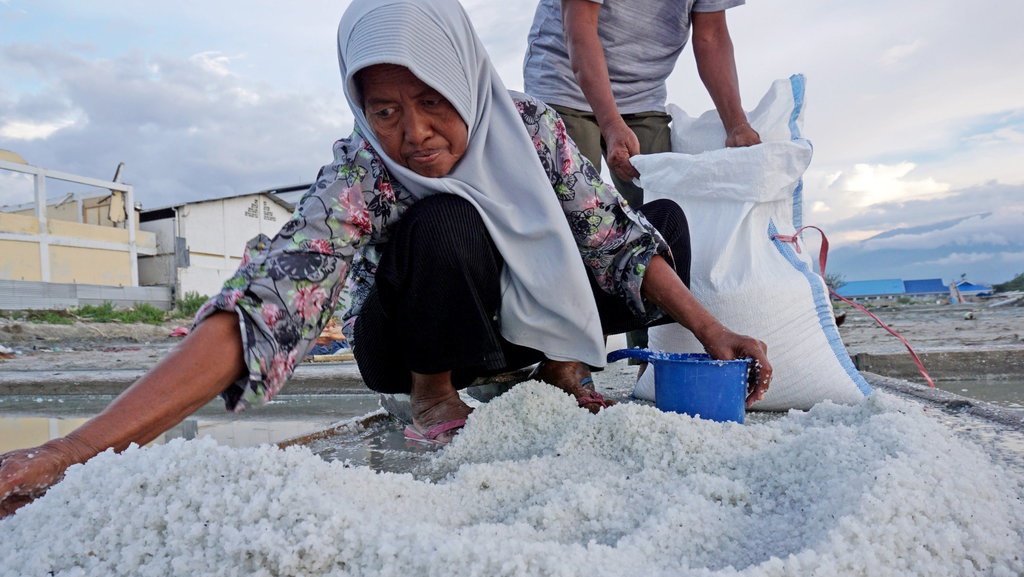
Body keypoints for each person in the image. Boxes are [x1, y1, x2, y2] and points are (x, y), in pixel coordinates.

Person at [0, 0, 771, 520]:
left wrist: (712, 329)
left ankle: (559, 367)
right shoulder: (361, 172)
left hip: (508, 319)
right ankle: (437, 397)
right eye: (385, 110)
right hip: (408, 345)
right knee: (445, 219)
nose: (416, 133)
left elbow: (611, 237)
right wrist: (71, 449)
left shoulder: (531, 128)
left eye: (434, 100)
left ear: (467, 80)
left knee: (654, 221)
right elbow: (267, 300)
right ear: (360, 109)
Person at [524, 0, 762, 357]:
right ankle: (571, 360)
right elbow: (580, 31)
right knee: (575, 218)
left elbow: (711, 36)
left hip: (642, 96)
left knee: (662, 221)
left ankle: (650, 356)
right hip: (565, 83)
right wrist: (610, 123)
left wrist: (737, 125)